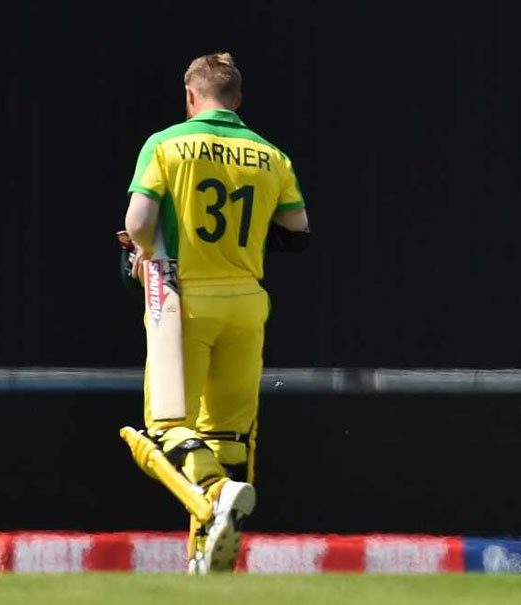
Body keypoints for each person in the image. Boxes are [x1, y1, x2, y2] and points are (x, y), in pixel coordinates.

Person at [122, 52, 309, 573]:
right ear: (238, 99)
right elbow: (298, 233)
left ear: (189, 96)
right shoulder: (271, 155)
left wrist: (145, 251)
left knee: (163, 432)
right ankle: (207, 553)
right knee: (228, 436)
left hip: (182, 299)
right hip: (248, 304)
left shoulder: (165, 144)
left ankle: (215, 495)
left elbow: (138, 222)